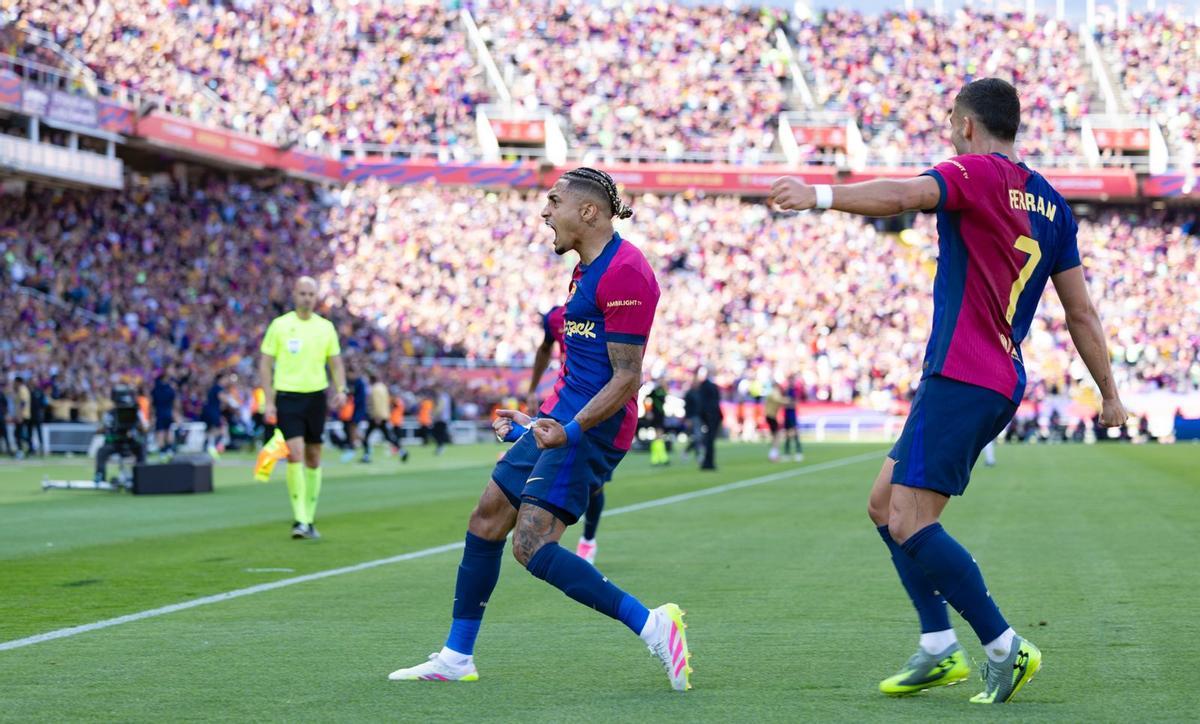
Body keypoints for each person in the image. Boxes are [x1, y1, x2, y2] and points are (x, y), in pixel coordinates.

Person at [769, 77, 1129, 704]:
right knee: (884, 505)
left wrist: (818, 195)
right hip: (995, 375)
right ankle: (938, 645)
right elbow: (1081, 312)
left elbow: (905, 194)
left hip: (965, 371)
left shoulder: (975, 172)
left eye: (950, 125)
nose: (949, 136)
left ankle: (1004, 646)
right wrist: (1111, 393)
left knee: (910, 520)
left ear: (966, 125)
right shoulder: (1053, 204)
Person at [387, 167, 691, 691]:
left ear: (588, 211)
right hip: (561, 418)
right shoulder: (584, 269)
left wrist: (569, 430)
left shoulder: (625, 272)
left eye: (554, 201)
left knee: (530, 545)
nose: (545, 211)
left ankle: (653, 625)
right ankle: (456, 657)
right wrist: (534, 422)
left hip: (592, 428)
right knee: (487, 518)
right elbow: (582, 368)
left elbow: (626, 378)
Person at [259, 276, 347, 540]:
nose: (307, 298)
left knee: (314, 456)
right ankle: (300, 519)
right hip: (288, 397)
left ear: (316, 297)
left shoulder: (325, 328)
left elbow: (336, 363)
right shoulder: (280, 326)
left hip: (316, 397)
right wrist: (269, 400)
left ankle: (309, 517)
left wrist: (341, 389)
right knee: (294, 453)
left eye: (311, 294)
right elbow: (265, 364)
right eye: (302, 293)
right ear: (294, 295)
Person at [525, 303, 607, 563]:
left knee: (593, 484)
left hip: (599, 403)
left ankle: (588, 540)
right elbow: (544, 349)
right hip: (567, 400)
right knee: (542, 462)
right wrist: (532, 389)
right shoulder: (554, 317)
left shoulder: (603, 310)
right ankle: (541, 534)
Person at [364, 370, 407, 463]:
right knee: (388, 437)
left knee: (367, 437)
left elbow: (377, 403)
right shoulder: (383, 388)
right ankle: (402, 451)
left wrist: (377, 416)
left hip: (377, 416)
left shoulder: (375, 389)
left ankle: (366, 456)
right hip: (384, 415)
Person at [697, 367, 721, 470]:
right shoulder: (710, 386)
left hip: (710, 416)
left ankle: (708, 462)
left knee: (709, 440)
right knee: (709, 440)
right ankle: (708, 462)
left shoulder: (705, 386)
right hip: (712, 416)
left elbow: (704, 403)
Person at [150, 373, 178, 457]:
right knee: (168, 430)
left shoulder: (155, 389)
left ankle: (162, 451)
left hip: (159, 413)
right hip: (168, 412)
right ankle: (169, 449)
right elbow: (175, 402)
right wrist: (175, 413)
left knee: (160, 431)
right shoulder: (170, 389)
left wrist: (152, 415)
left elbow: (152, 403)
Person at [781, 376, 803, 462]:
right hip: (786, 415)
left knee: (795, 434)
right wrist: (787, 403)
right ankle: (787, 453)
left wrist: (788, 403)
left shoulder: (794, 391)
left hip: (792, 415)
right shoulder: (785, 391)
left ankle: (798, 452)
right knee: (787, 435)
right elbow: (784, 403)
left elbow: (794, 404)